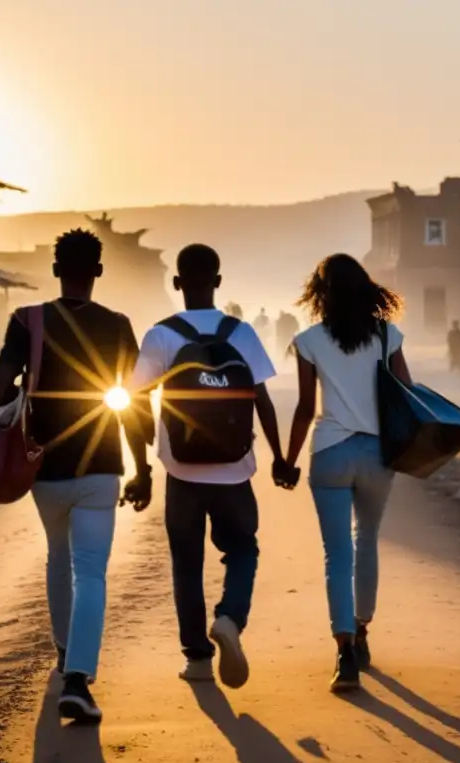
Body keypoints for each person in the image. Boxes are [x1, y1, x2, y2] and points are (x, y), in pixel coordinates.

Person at [0, 228, 153, 724]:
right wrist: (143, 469)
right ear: (98, 272)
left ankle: (65, 656)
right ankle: (78, 680)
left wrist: (25, 377)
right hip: (101, 466)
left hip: (45, 469)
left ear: (56, 270)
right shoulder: (120, 326)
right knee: (92, 570)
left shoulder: (27, 321)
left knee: (58, 558)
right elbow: (135, 403)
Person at [130, 244, 284, 690]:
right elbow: (263, 402)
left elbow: (136, 400)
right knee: (243, 550)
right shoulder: (241, 333)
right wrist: (281, 458)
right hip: (235, 471)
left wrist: (141, 464)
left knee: (186, 563)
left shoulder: (161, 335)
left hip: (181, 471)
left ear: (177, 284)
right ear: (218, 282)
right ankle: (231, 618)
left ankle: (197, 659)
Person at [278, 253, 410, 694]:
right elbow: (407, 393)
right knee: (366, 542)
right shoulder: (386, 334)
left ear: (322, 294)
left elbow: (304, 409)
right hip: (377, 455)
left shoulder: (309, 340)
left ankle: (344, 652)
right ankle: (362, 629)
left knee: (337, 554)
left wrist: (288, 460)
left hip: (331, 452)